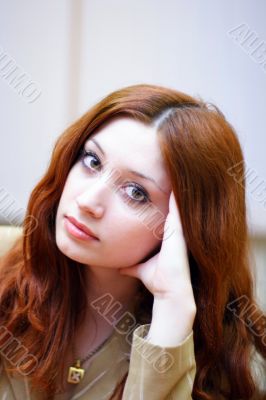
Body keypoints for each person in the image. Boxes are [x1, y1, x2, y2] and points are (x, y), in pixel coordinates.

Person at [0, 84, 265, 400]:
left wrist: (171, 309)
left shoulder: (210, 355)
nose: (87, 201)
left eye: (136, 193)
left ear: (188, 227)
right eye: (92, 161)